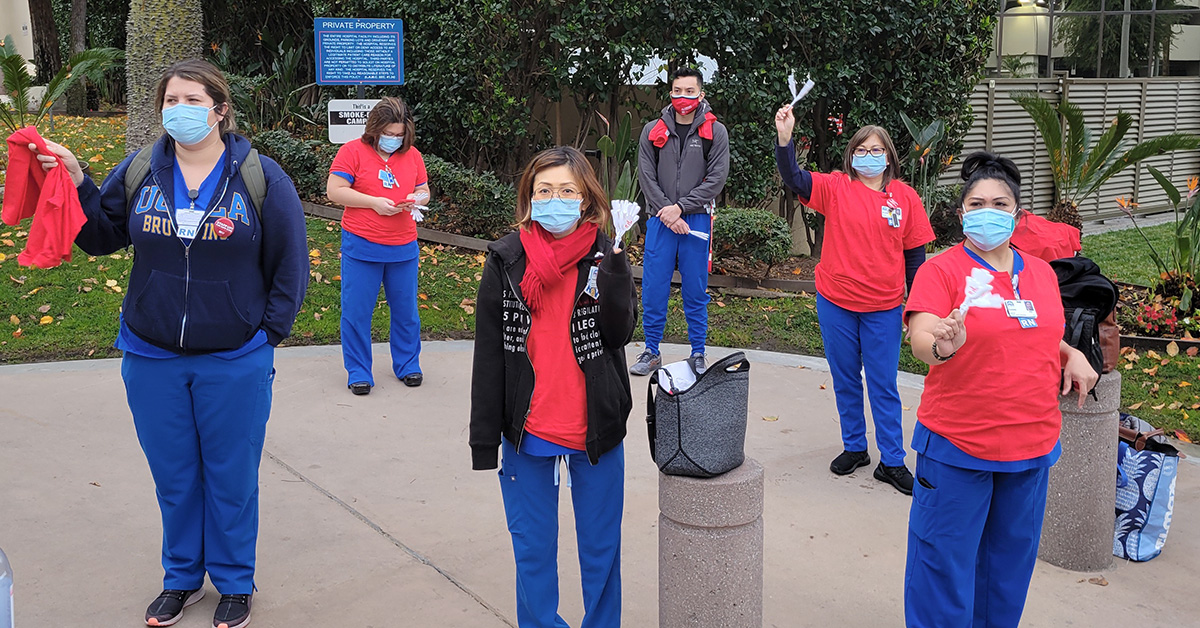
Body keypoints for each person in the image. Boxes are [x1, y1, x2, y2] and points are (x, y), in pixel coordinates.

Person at [30, 59, 308, 628]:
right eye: (170, 100)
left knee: (231, 477)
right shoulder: (140, 170)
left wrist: (266, 336)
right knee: (175, 477)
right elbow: (100, 238)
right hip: (152, 355)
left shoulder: (259, 176)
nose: (178, 110)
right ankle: (181, 578)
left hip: (234, 359)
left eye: (191, 99)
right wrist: (80, 178)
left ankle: (234, 583)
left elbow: (291, 263)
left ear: (219, 109)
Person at [902, 152, 1098, 628]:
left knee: (1006, 578)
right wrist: (944, 345)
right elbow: (922, 340)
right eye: (976, 203)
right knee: (942, 576)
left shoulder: (1040, 273)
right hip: (957, 448)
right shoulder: (941, 271)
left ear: (1017, 212)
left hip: (1030, 449)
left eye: (999, 202)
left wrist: (1068, 353)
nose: (987, 211)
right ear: (962, 213)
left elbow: (1034, 329)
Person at [469, 146, 636, 627]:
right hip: (528, 428)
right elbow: (489, 352)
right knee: (532, 553)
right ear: (528, 198)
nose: (555, 199)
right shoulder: (506, 259)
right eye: (545, 190)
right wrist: (484, 438)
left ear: (586, 200)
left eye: (568, 191)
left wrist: (617, 276)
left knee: (602, 554)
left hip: (595, 427)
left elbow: (619, 334)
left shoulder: (606, 252)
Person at [774, 104, 934, 494]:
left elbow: (915, 256)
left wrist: (917, 307)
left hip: (883, 307)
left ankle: (892, 461)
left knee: (883, 384)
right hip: (837, 302)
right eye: (861, 150)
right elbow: (794, 177)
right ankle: (855, 447)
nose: (869, 156)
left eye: (876, 150)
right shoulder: (835, 186)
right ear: (851, 156)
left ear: (890, 157)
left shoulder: (905, 198)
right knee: (845, 378)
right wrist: (785, 139)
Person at [326, 96, 430, 394]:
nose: (394, 140)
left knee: (406, 310)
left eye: (399, 135)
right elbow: (335, 190)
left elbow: (423, 189)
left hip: (403, 247)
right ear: (375, 129)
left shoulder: (412, 156)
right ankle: (359, 370)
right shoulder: (352, 152)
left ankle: (408, 364)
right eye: (388, 134)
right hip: (362, 246)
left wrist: (417, 199)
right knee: (357, 312)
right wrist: (374, 203)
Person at [631, 67, 730, 377]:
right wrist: (667, 211)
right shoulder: (652, 130)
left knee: (696, 289)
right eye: (677, 91)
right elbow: (646, 175)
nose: (683, 97)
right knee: (654, 286)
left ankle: (698, 352)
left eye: (689, 91)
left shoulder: (715, 132)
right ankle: (651, 350)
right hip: (661, 221)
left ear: (701, 94)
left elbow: (716, 178)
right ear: (670, 93)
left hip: (696, 220)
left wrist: (681, 207)